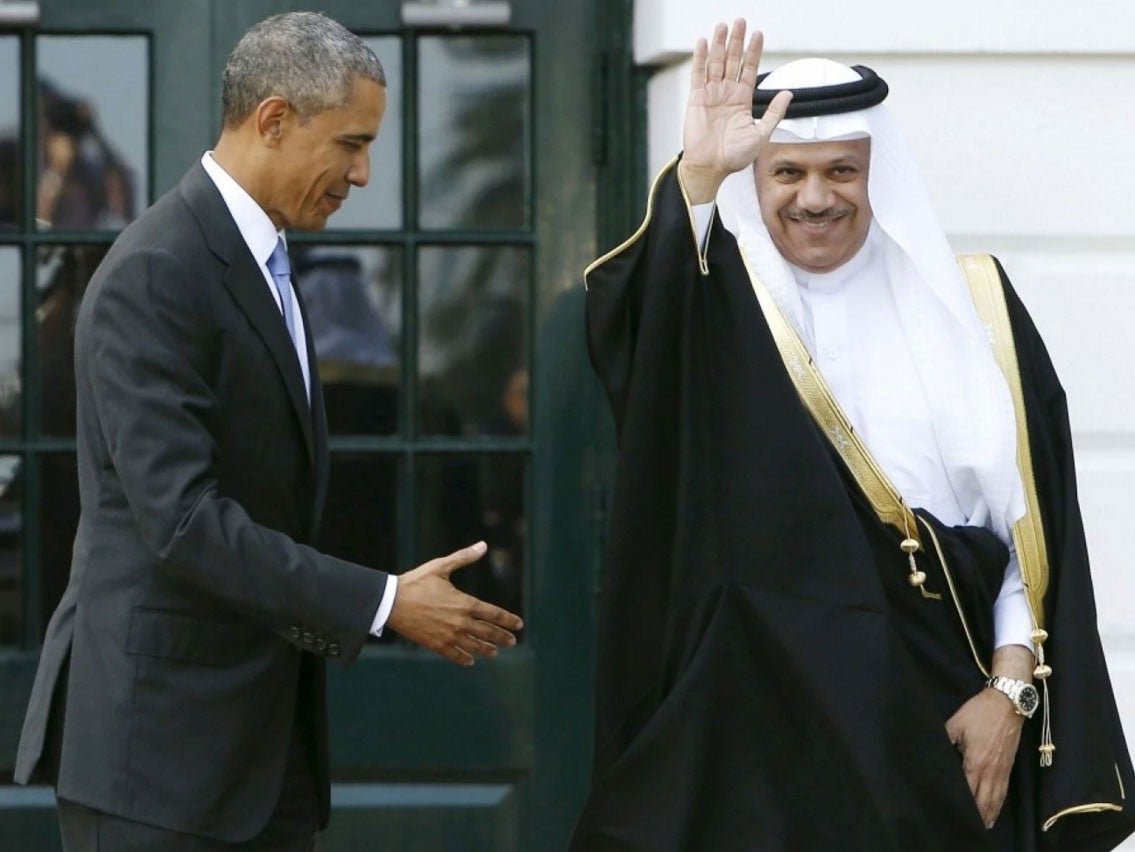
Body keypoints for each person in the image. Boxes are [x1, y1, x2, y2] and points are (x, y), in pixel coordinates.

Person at [571, 18, 1135, 852]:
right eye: (785, 172)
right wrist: (697, 176)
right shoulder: (723, 309)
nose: (814, 197)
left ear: (880, 177)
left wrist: (1009, 693)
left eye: (842, 171)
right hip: (761, 726)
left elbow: (1026, 528)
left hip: (944, 712)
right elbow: (639, 335)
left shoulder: (973, 306)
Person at [13, 12, 522, 851]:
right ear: (274, 119)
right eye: (351, 144)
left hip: (256, 758)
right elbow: (182, 522)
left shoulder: (266, 261)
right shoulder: (156, 273)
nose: (363, 174)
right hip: (159, 768)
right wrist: (388, 602)